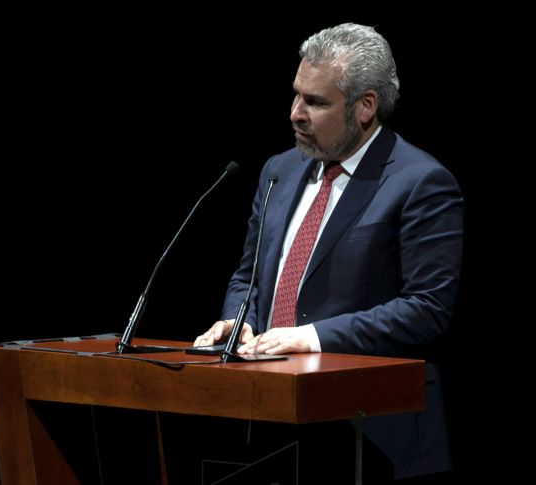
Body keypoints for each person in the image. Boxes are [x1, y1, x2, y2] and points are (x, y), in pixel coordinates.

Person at [193, 22, 463, 482]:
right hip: (270, 422)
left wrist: (312, 337)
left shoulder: (421, 183)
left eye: (315, 102)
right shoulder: (279, 170)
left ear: (366, 106)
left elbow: (427, 308)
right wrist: (239, 321)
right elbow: (248, 275)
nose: (295, 114)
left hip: (369, 432)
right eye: (296, 95)